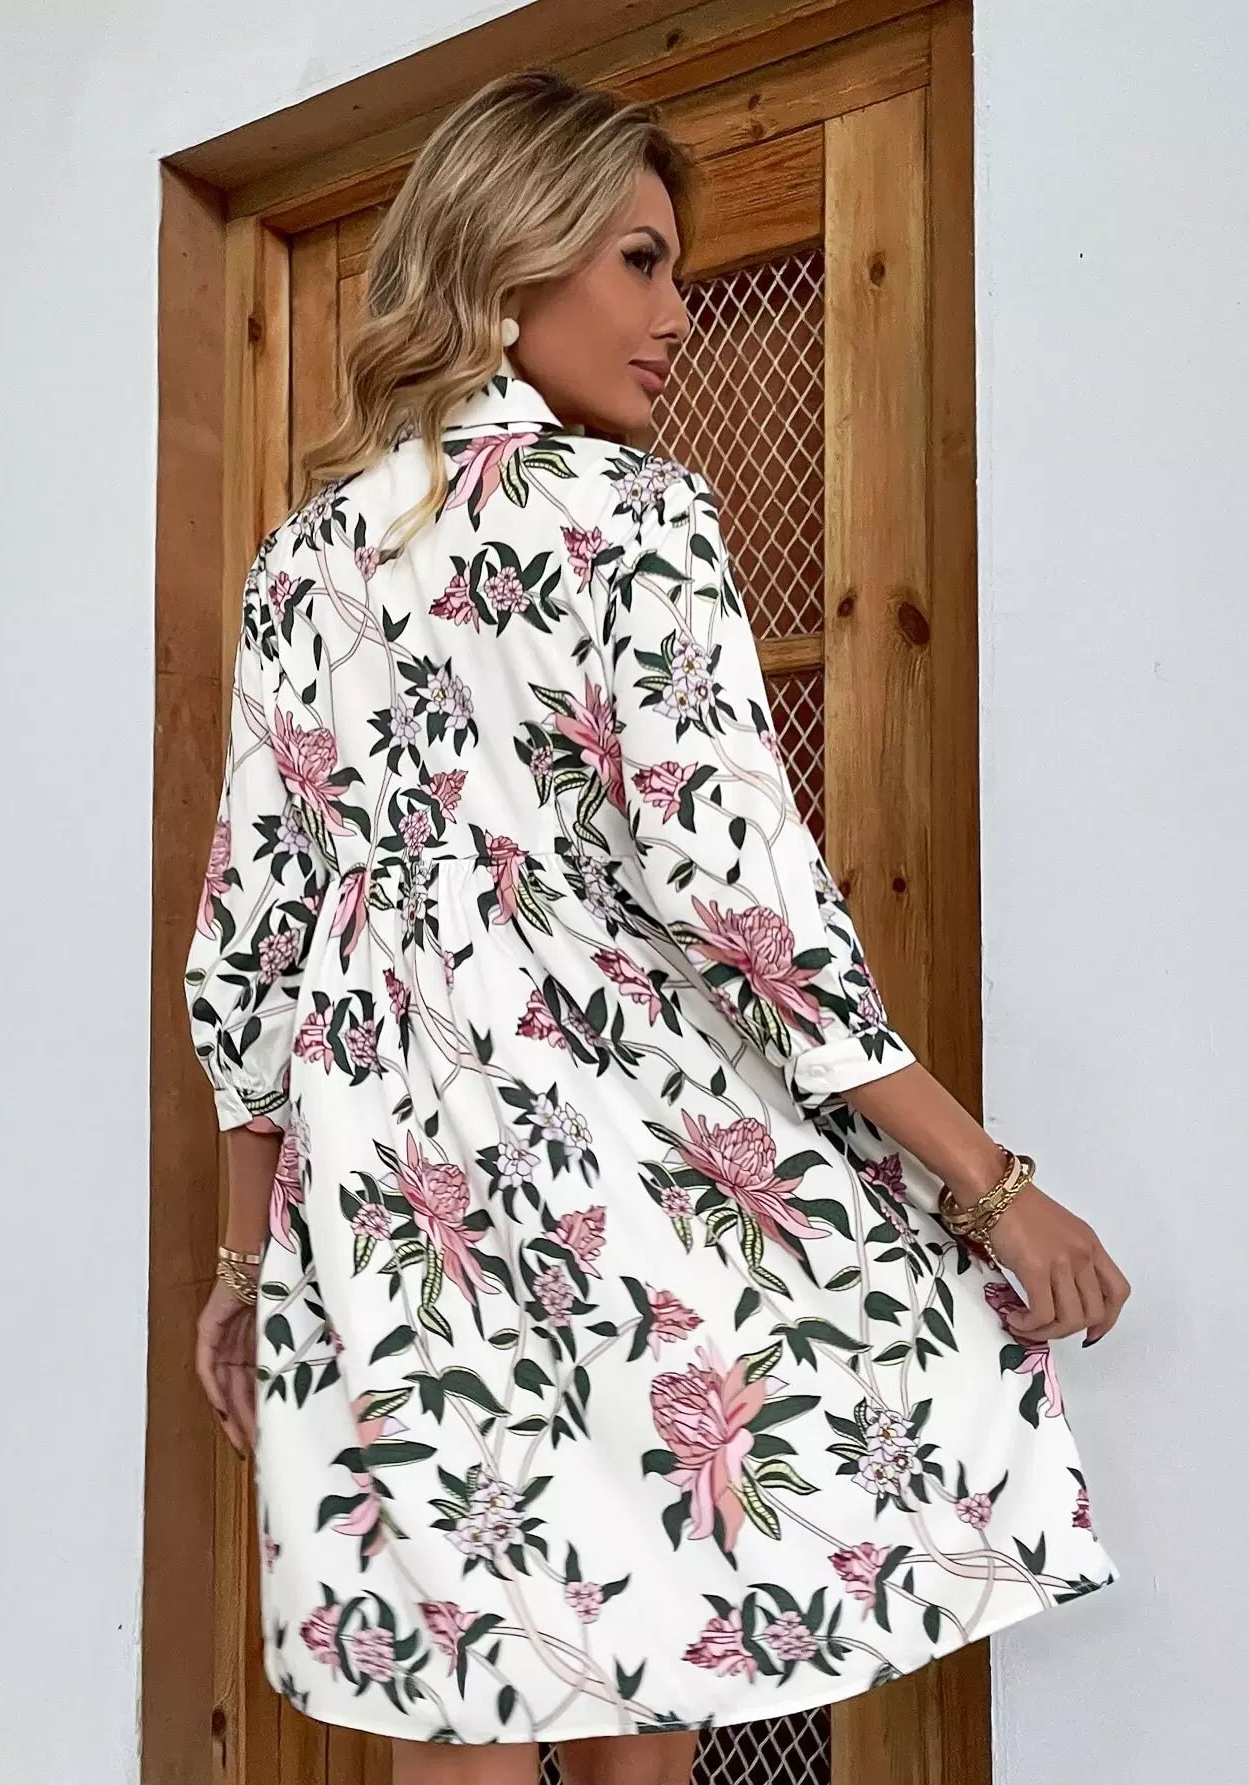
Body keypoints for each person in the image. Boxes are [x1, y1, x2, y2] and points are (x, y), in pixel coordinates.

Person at [185, 68, 1128, 1785]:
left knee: (458, 1707)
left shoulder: (300, 562)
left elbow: (254, 943)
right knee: (654, 1659)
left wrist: (247, 1262)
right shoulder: (635, 517)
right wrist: (988, 1182)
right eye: (639, 260)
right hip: (615, 1191)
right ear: (511, 253)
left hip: (384, 1210)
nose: (676, 311)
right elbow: (745, 903)